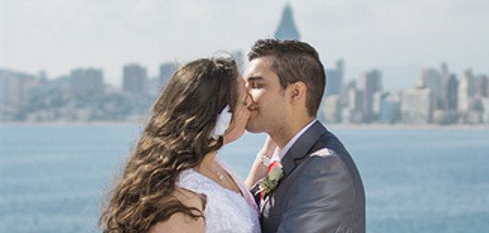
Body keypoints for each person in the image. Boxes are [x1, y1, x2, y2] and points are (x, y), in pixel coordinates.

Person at [100, 56, 260, 233]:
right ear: (220, 116)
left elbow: (236, 206)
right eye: (245, 102)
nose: (251, 106)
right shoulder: (178, 204)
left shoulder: (212, 165)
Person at [243, 39, 366, 233]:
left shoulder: (325, 168)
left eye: (256, 85)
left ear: (295, 93)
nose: (245, 96)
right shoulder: (289, 156)